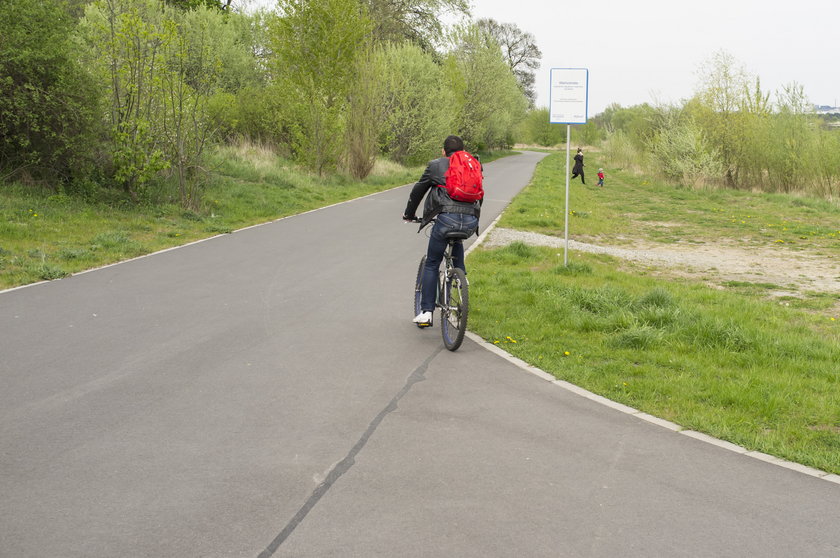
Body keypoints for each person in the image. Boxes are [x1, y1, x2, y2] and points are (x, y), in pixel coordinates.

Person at [402, 135, 482, 326]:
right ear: (463, 150)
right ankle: (461, 278)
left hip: (446, 219)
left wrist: (409, 214)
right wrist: (474, 218)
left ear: (443, 151)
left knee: (431, 263)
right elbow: (479, 193)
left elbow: (418, 191)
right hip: (470, 219)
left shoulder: (436, 165)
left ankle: (426, 312)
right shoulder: (473, 164)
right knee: (458, 240)